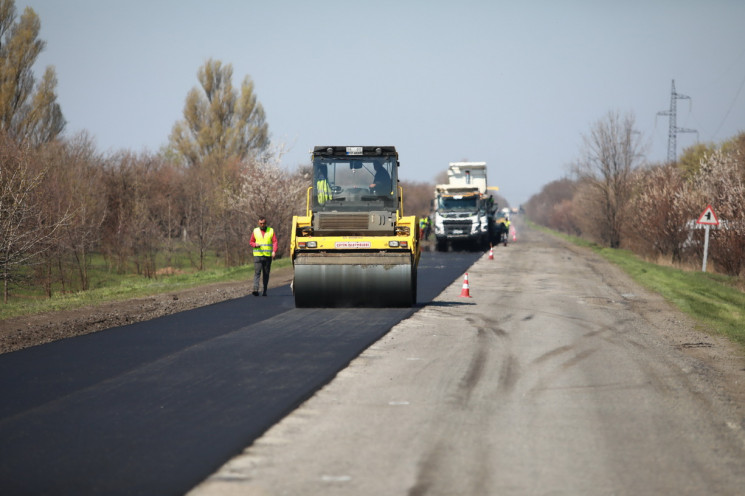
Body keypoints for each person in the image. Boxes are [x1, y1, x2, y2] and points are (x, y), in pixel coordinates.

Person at [249, 216, 277, 296]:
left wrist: (274, 251)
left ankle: (265, 290)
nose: (262, 225)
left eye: (263, 223)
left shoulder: (271, 231)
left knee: (266, 273)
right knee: (257, 272)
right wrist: (255, 244)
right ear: (258, 223)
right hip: (258, 255)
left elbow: (275, 242)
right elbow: (251, 242)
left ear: (266, 223)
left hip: (267, 256)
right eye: (261, 223)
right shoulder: (255, 231)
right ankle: (255, 289)